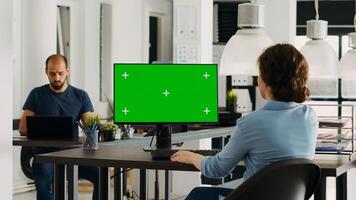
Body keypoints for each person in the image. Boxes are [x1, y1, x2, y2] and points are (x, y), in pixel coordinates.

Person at [171, 43, 318, 200]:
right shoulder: (309, 117)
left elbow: (217, 169)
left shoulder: (251, 123)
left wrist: (192, 156)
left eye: (259, 74)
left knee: (198, 195)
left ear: (267, 81)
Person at [19, 54, 99, 200]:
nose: (56, 78)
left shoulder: (80, 96)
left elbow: (90, 128)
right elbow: (23, 128)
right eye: (52, 73)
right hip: (45, 156)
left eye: (61, 73)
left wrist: (95, 129)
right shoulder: (36, 94)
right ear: (46, 72)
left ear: (68, 71)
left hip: (74, 156)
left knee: (100, 174)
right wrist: (43, 130)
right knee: (42, 175)